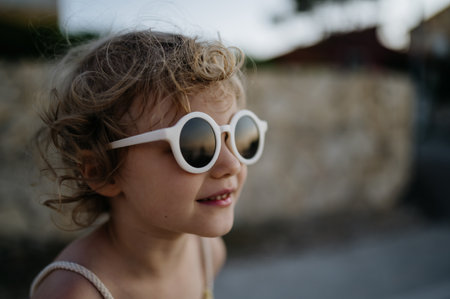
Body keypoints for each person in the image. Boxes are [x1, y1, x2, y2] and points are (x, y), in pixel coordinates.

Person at [30, 29, 267, 299]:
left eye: (238, 133)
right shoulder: (76, 293)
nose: (231, 163)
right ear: (103, 172)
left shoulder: (209, 253)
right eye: (194, 143)